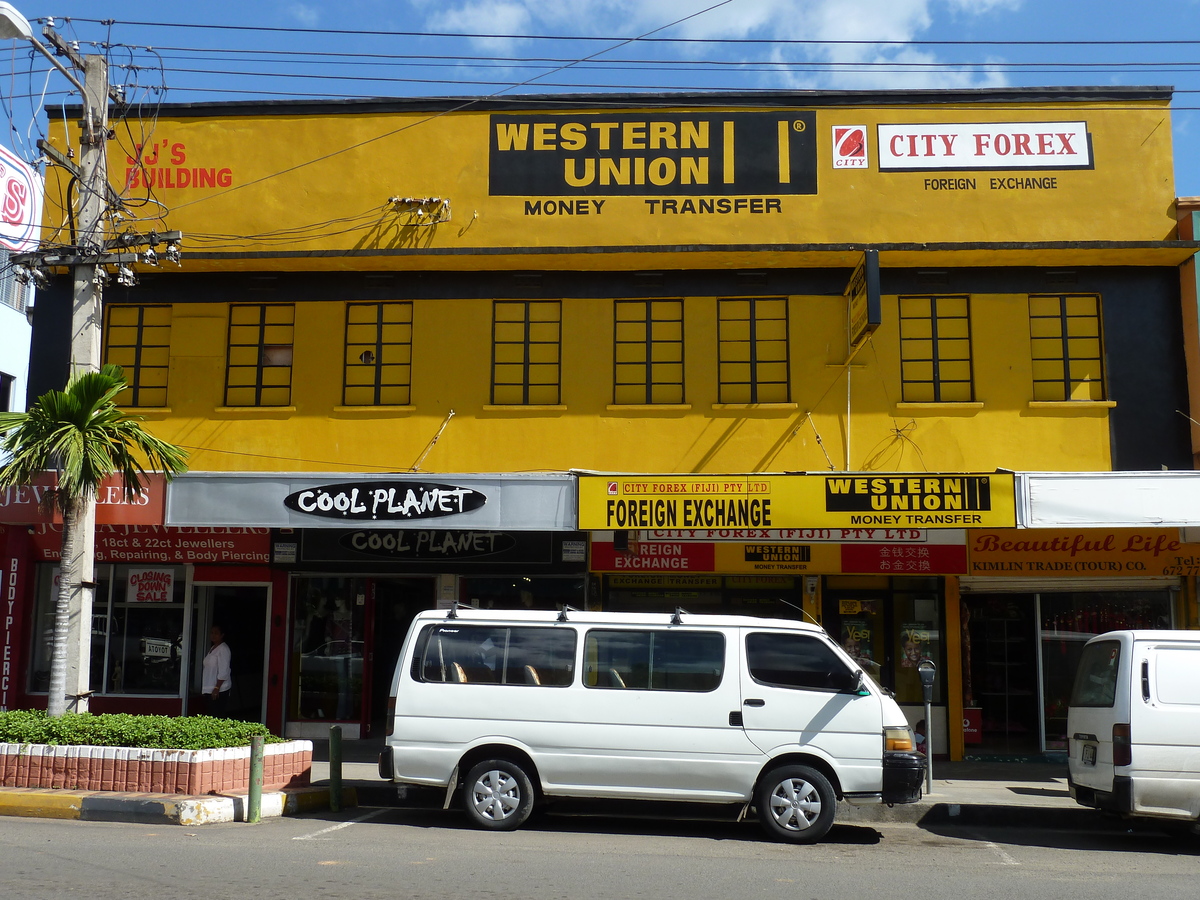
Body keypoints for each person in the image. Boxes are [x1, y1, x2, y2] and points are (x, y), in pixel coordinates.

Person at [202, 624, 233, 717]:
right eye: (212, 633)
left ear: (222, 635)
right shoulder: (213, 648)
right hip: (209, 688)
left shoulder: (223, 649)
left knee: (217, 715)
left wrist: (217, 688)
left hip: (218, 690)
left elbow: (224, 671)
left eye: (216, 633)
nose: (213, 635)